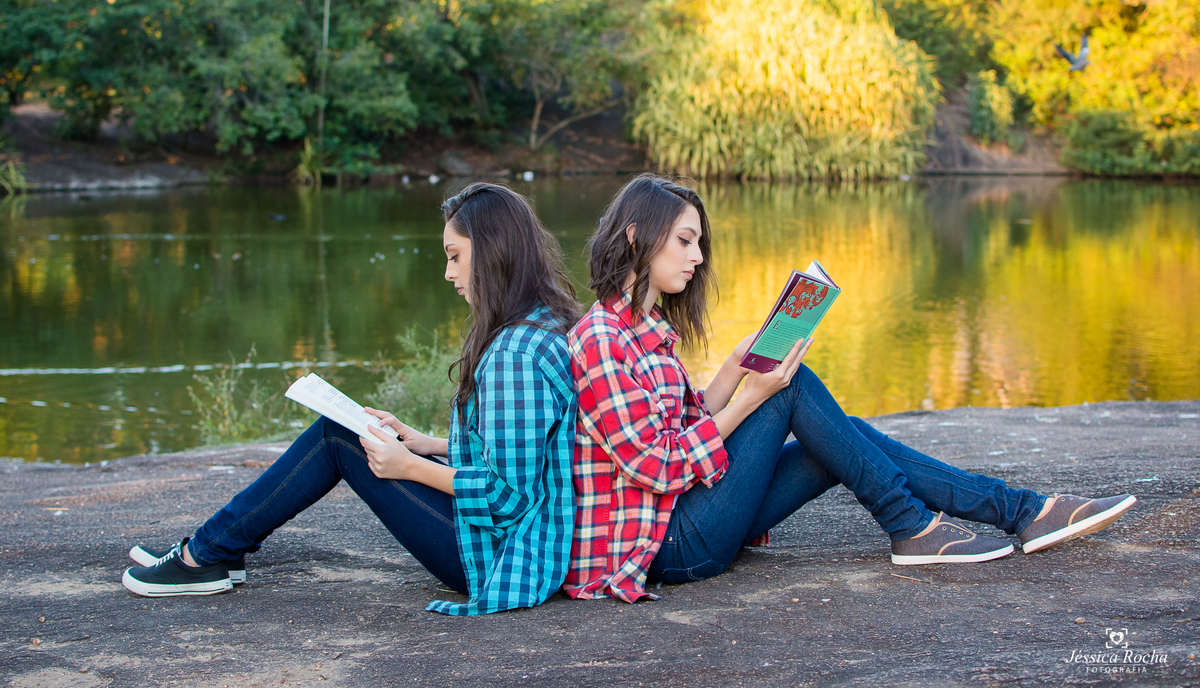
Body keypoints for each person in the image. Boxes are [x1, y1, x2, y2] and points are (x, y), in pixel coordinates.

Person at [564, 174, 1135, 603]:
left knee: (844, 438)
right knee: (789, 391)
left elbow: (685, 427)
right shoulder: (600, 339)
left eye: (699, 243)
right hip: (667, 544)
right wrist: (753, 397)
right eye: (686, 241)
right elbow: (660, 466)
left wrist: (736, 368)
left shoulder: (646, 331)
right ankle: (921, 525)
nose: (698, 256)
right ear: (637, 236)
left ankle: (1019, 511)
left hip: (690, 514)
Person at [122, 183, 580, 615]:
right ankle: (219, 547)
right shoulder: (534, 328)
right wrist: (426, 444)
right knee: (343, 432)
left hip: (500, 558)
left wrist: (408, 468)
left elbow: (510, 496)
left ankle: (206, 554)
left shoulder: (513, 354)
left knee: (337, 437)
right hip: (514, 542)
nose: (447, 273)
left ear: (493, 252)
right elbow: (521, 454)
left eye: (455, 256)